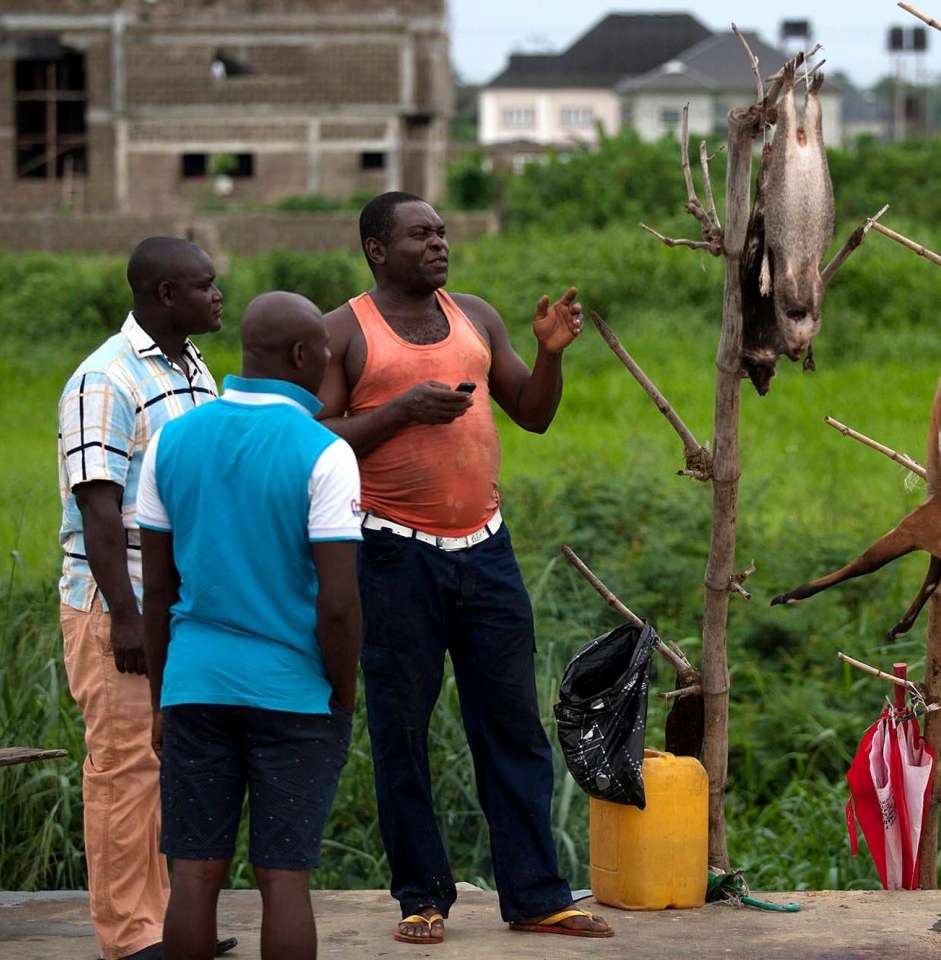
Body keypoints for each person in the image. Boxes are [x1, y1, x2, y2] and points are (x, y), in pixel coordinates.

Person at [317, 191, 613, 943]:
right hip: (390, 555)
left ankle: (538, 896)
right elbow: (313, 441)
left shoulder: (475, 315)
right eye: (420, 235)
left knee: (512, 726)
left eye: (443, 231)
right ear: (377, 250)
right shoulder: (344, 331)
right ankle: (422, 898)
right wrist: (398, 412)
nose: (439, 243)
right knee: (401, 731)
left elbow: (534, 413)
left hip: (486, 551)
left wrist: (549, 355)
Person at [137, 291, 363, 960]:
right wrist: (342, 695)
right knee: (283, 878)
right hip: (294, 694)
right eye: (323, 354)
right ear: (301, 355)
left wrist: (160, 697)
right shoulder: (324, 452)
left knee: (194, 874)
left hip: (193, 687)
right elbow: (339, 604)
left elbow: (158, 589)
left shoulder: (173, 439)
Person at [57, 236, 236, 960]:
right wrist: (127, 621)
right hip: (119, 606)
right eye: (204, 285)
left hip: (177, 604)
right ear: (166, 295)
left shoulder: (193, 367)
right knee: (125, 768)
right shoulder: (104, 380)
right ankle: (132, 938)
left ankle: (170, 926)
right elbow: (100, 514)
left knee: (173, 767)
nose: (218, 294)